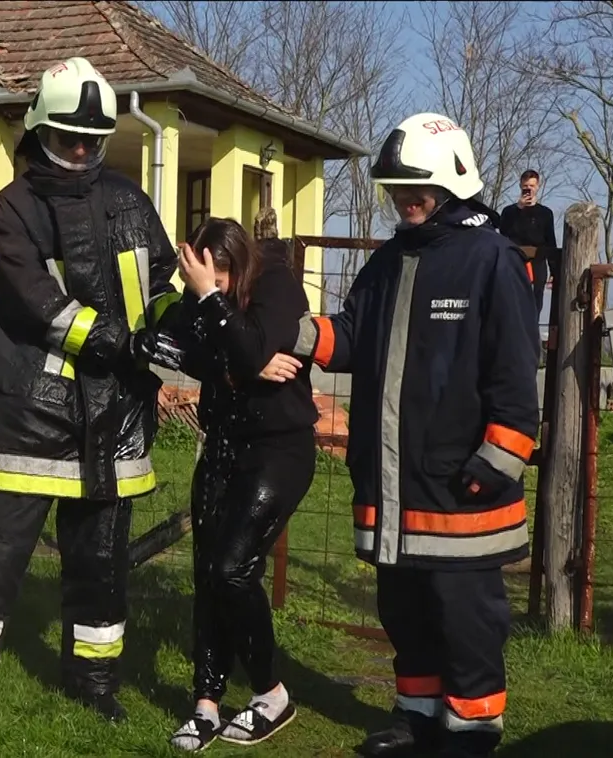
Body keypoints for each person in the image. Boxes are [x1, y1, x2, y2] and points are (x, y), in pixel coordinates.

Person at [0, 56, 186, 723]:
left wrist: (173, 329)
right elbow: (38, 302)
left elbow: (164, 280)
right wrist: (121, 342)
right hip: (35, 412)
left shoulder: (129, 201)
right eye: (69, 138)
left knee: (100, 563)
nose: (83, 151)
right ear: (38, 132)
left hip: (117, 414)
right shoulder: (13, 208)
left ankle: (93, 686)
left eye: (93, 139)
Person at [294, 113, 540, 758]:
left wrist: (499, 458)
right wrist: (289, 332)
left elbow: (517, 376)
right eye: (396, 186)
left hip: (464, 486)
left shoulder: (493, 258)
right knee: (403, 611)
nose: (404, 198)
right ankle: (418, 716)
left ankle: (472, 729)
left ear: (454, 182)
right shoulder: (387, 260)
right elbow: (352, 335)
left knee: (467, 618)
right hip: (394, 484)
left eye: (415, 186)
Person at [163, 220, 319, 752]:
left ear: (236, 261)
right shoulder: (201, 298)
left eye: (221, 273)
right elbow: (182, 349)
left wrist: (213, 303)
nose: (214, 285)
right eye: (205, 276)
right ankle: (206, 703)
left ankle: (271, 693)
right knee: (208, 572)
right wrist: (239, 367)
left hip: (279, 446)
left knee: (232, 570)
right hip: (223, 446)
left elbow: (252, 346)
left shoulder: (276, 282)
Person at [498, 170, 558, 318]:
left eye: (532, 185)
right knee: (512, 299)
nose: (529, 189)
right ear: (520, 186)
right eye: (526, 186)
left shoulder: (545, 213)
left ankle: (533, 330)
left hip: (538, 260)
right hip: (514, 260)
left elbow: (550, 240)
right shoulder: (509, 212)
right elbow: (503, 235)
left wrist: (554, 270)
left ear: (537, 186)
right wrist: (519, 209)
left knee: (536, 300)